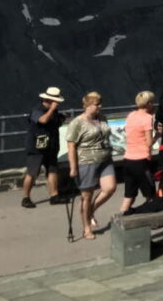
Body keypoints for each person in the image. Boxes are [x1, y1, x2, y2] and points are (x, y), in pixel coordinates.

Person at [66, 92, 117, 240]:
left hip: (105, 159)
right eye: (97, 104)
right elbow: (71, 146)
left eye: (100, 104)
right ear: (88, 105)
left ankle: (90, 211)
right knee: (86, 196)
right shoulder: (77, 123)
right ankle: (86, 227)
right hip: (86, 161)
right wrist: (73, 167)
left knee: (110, 188)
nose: (100, 107)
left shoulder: (102, 118)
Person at [21, 87, 66, 209]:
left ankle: (54, 195)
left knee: (52, 171)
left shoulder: (55, 112)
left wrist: (60, 118)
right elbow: (43, 120)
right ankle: (26, 197)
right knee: (32, 172)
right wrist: (51, 110)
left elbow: (55, 123)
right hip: (36, 148)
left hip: (51, 146)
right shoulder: (37, 110)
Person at [119, 91, 156, 215]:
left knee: (129, 194)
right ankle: (154, 221)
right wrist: (159, 135)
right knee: (150, 194)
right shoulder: (147, 118)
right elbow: (149, 142)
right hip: (141, 160)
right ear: (148, 103)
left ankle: (121, 218)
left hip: (128, 159)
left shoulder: (131, 115)